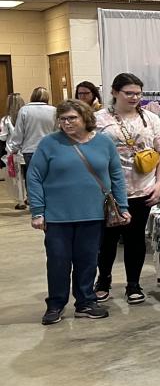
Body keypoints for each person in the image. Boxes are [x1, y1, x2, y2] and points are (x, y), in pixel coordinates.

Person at [27, 99, 129, 324]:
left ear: (85, 118)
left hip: (93, 214)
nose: (66, 123)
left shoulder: (104, 142)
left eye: (72, 118)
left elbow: (117, 176)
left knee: (88, 260)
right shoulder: (49, 143)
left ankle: (85, 302)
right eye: (62, 119)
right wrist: (37, 211)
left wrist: (122, 207)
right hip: (57, 216)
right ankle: (55, 304)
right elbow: (34, 177)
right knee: (58, 261)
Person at [94, 73, 160, 304]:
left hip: (142, 189)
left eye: (138, 93)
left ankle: (133, 284)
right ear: (114, 92)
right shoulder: (99, 119)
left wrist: (159, 184)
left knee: (135, 238)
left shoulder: (151, 118)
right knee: (107, 239)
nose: (134, 97)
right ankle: (103, 280)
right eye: (128, 93)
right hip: (107, 191)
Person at [6, 87, 56, 210]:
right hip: (50, 149)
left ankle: (34, 201)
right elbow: (57, 131)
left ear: (33, 96)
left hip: (30, 149)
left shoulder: (25, 110)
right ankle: (50, 200)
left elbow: (19, 131)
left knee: (33, 177)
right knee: (49, 176)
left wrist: (14, 147)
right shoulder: (53, 110)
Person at [1, 93, 25, 207]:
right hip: (26, 149)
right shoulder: (26, 116)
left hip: (13, 151)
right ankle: (30, 198)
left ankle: (21, 200)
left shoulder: (6, 119)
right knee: (28, 176)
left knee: (17, 177)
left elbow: (3, 136)